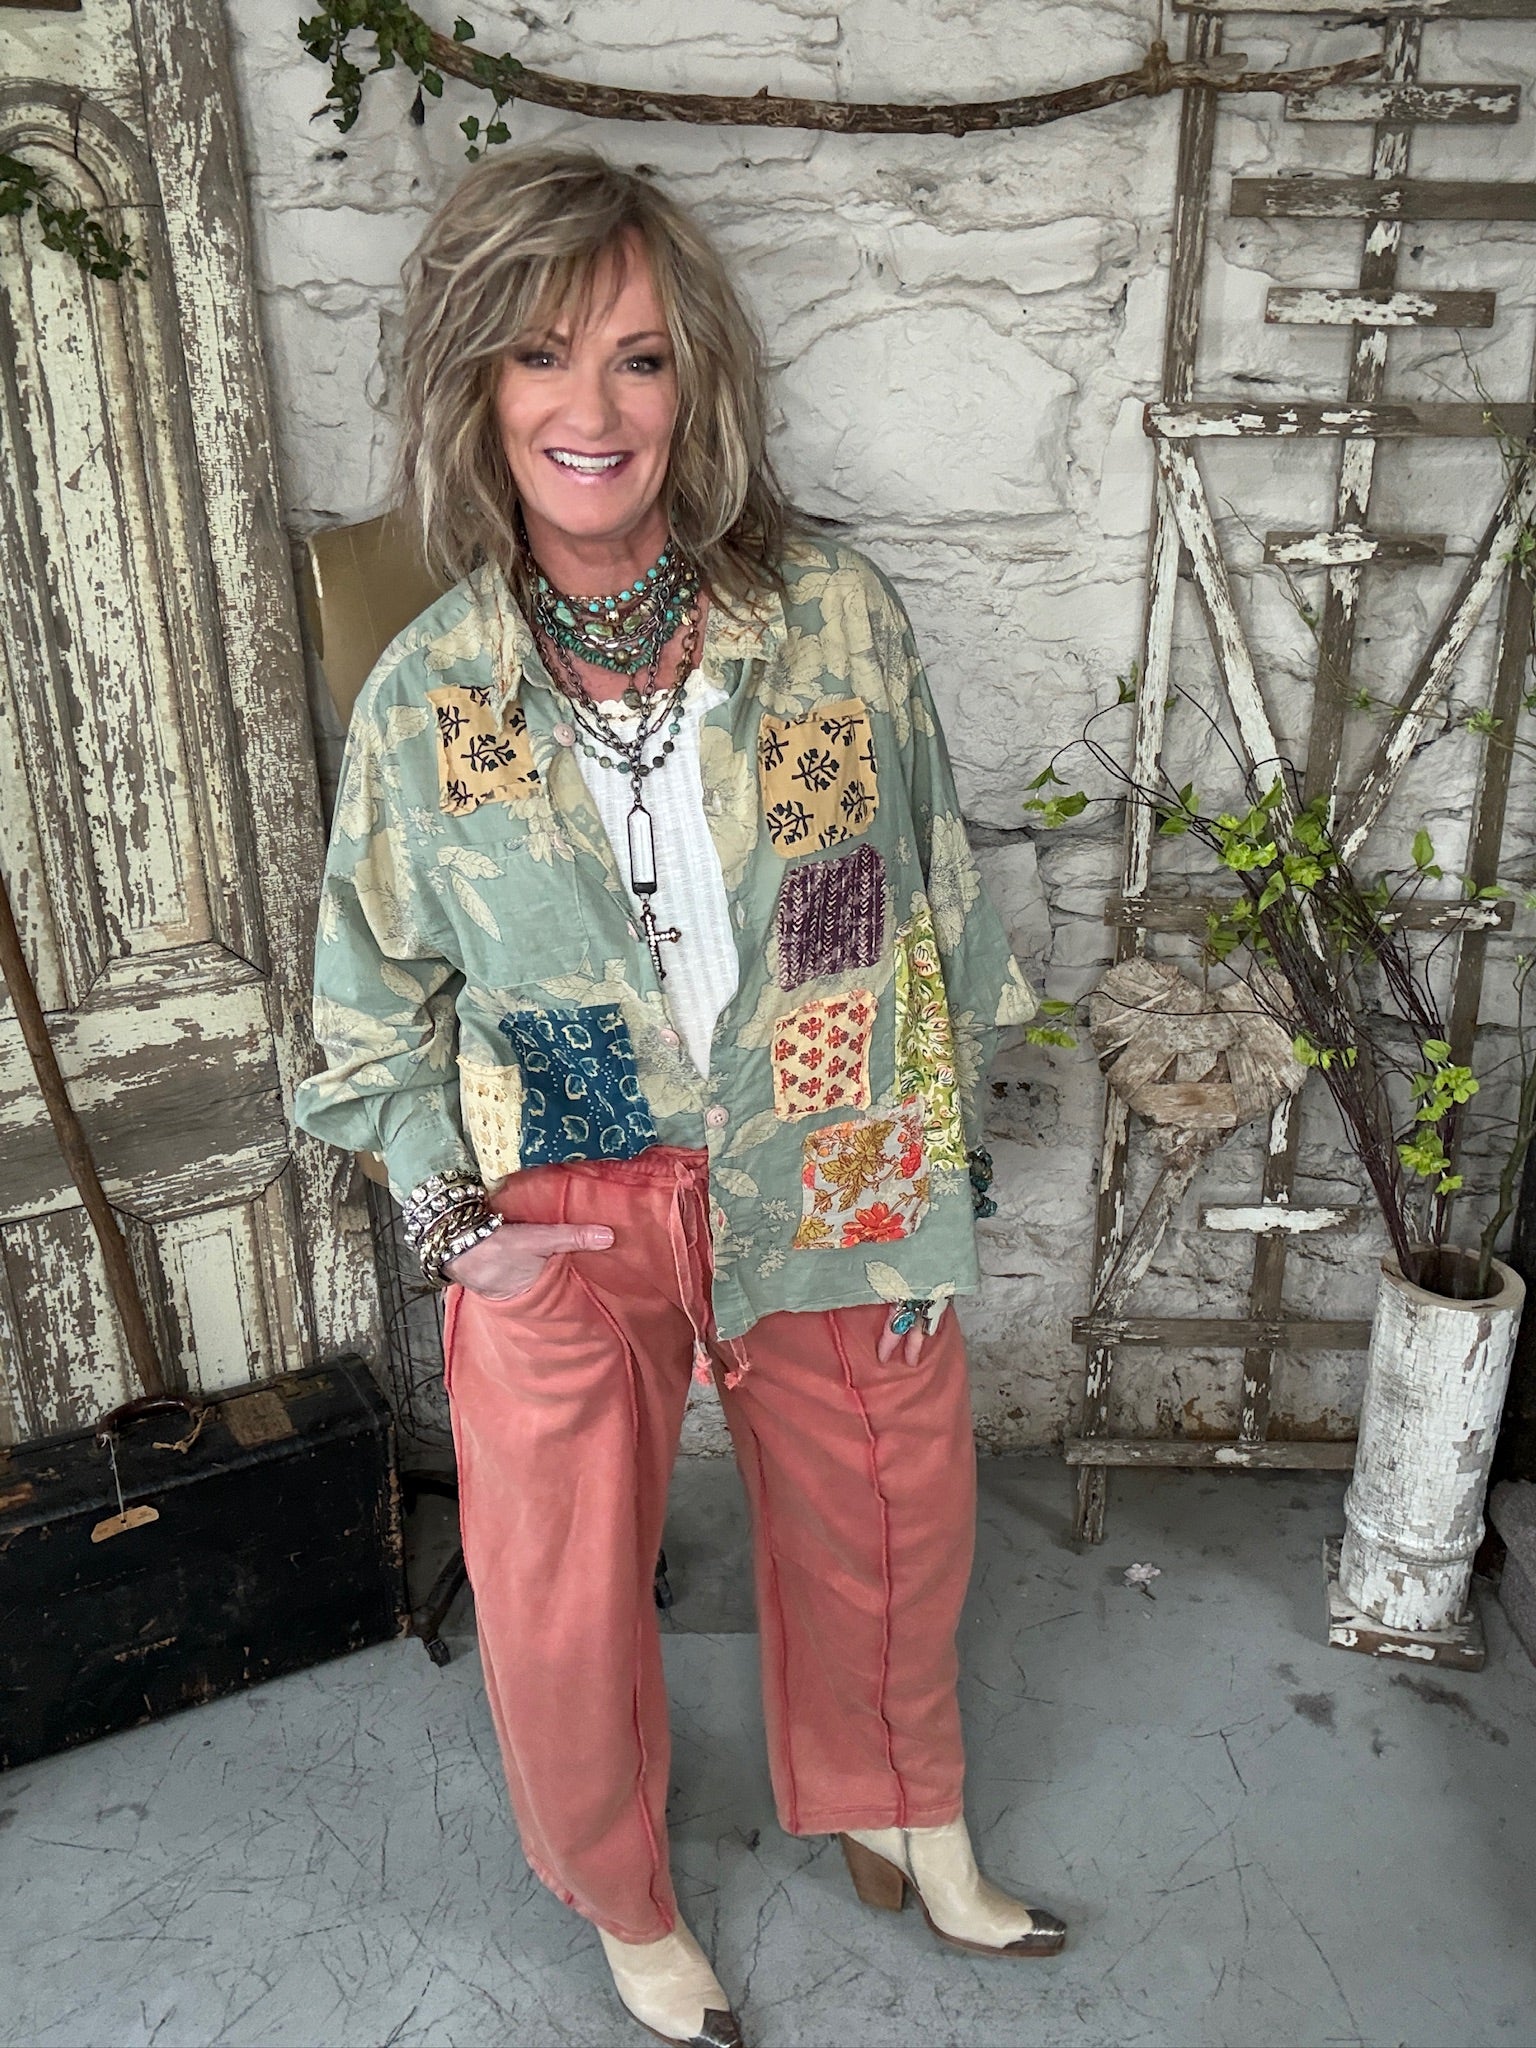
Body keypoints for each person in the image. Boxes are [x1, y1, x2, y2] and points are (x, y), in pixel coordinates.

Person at [291, 142, 1064, 2048]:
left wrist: (931, 1181)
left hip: (828, 1137)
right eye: (542, 354)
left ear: (692, 381)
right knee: (560, 1585)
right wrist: (457, 1229)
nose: (595, 406)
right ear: (477, 385)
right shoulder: (433, 696)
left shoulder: (831, 620)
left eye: (638, 357)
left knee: (892, 1507)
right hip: (560, 1194)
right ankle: (626, 1895)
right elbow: (369, 1010)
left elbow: (921, 904)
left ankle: (902, 1806)